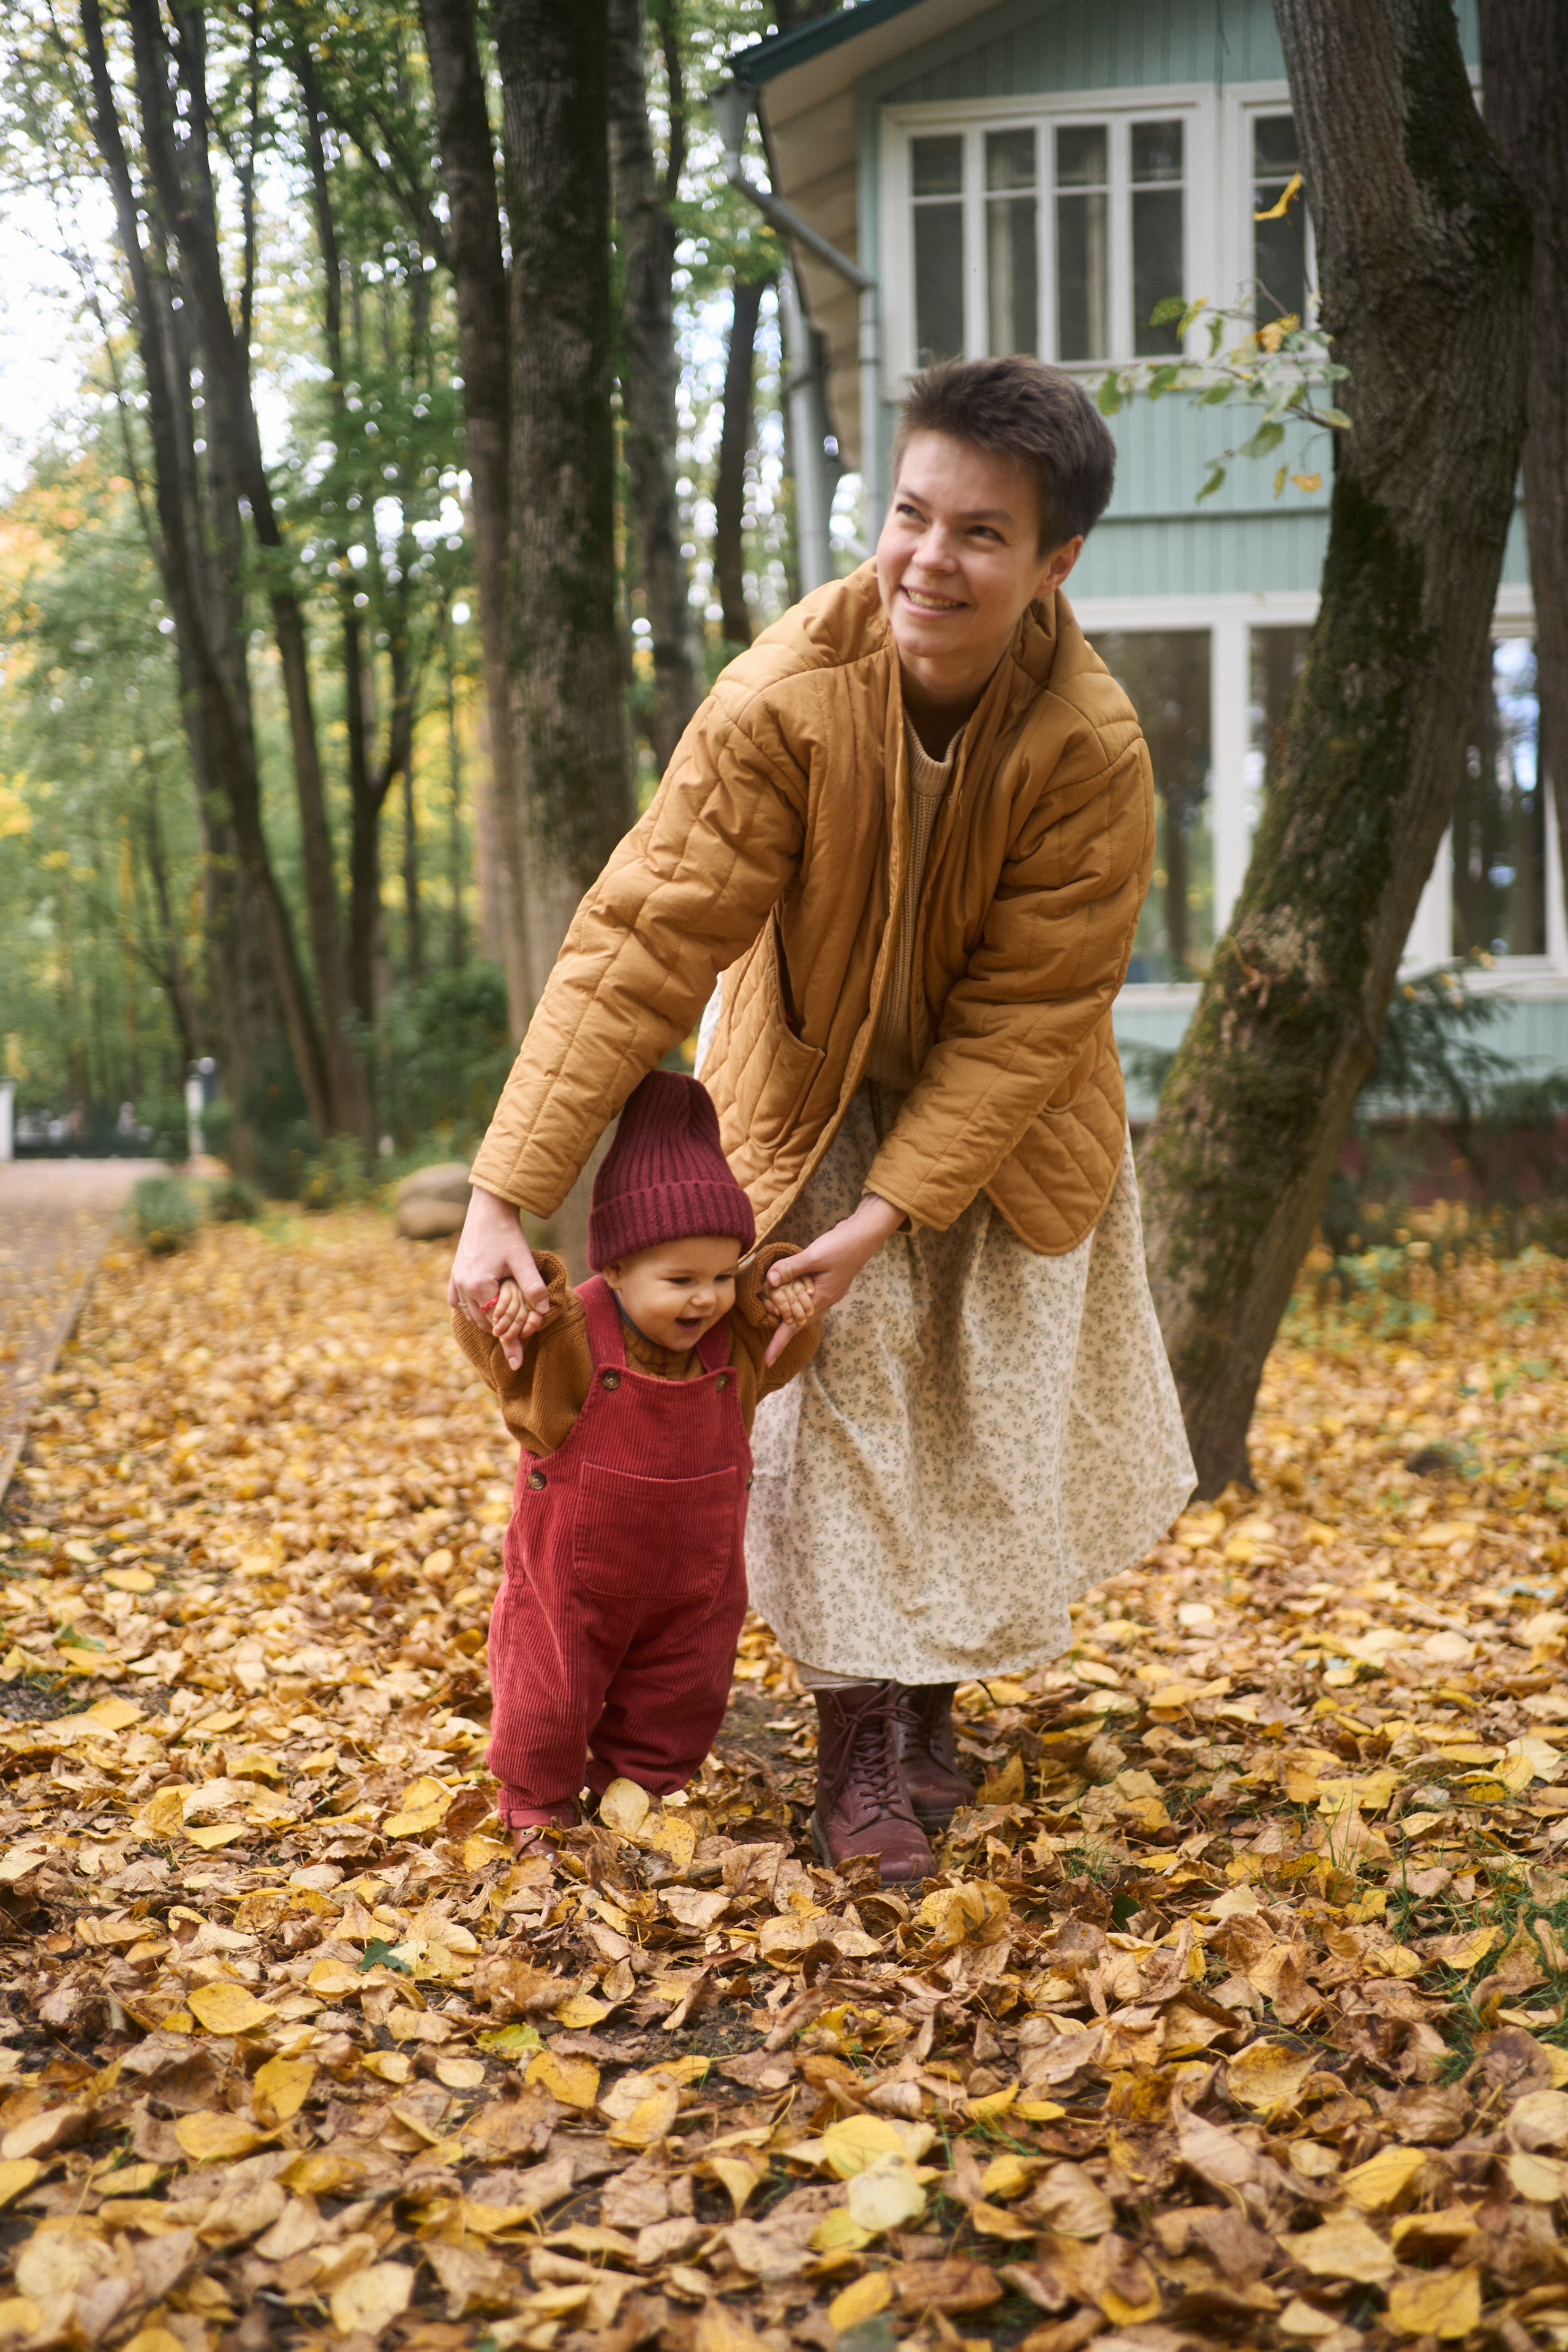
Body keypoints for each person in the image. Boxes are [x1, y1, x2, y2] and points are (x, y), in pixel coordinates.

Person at [452, 354, 1196, 1885]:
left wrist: (886, 1217)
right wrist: (499, 1194)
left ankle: (922, 1695)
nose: (929, 558)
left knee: (961, 1417)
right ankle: (855, 1734)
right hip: (804, 1080)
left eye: (981, 533)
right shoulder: (782, 700)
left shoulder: (1091, 748)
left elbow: (1024, 1018)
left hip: (1012, 1118)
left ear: (1054, 562)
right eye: (910, 513)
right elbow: (641, 938)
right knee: (836, 1399)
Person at [454, 1071, 818, 1846]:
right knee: (548, 1687)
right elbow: (508, 1359)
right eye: (680, 1280)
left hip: (696, 1581)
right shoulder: (572, 1338)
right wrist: (510, 1313)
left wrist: (780, 1296)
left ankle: (635, 1793)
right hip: (573, 1579)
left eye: (721, 1276)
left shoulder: (731, 1343)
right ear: (614, 1269)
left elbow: (779, 1341)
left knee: (682, 1692)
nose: (705, 1299)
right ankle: (536, 1800)